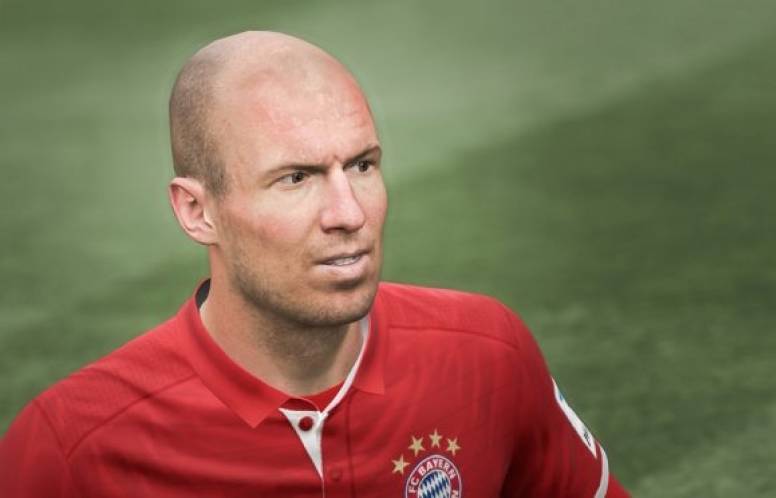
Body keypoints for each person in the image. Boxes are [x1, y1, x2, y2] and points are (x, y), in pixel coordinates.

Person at [0, 31, 629, 497]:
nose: (348, 213)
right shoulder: (75, 448)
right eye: (295, 178)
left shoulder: (485, 355)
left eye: (362, 165)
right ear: (197, 210)